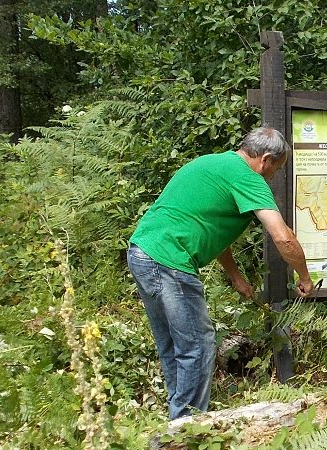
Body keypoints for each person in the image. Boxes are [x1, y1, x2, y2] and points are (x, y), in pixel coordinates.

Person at [127, 127, 314, 420]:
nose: (272, 176)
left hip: (142, 252)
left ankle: (178, 419)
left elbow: (209, 228)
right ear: (265, 159)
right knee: (198, 345)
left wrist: (235, 276)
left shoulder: (213, 163)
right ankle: (188, 430)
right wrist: (304, 276)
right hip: (169, 260)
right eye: (275, 169)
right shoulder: (248, 177)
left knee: (174, 344)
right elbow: (283, 237)